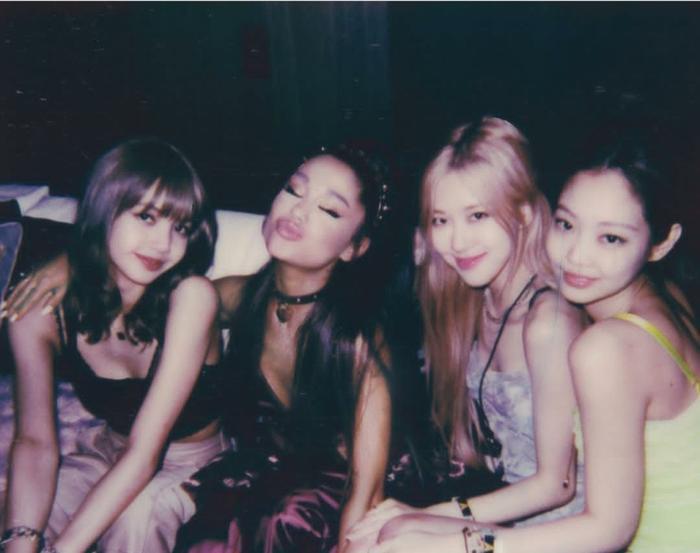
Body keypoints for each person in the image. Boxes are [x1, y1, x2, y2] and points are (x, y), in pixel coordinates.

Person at [367, 132, 700, 553]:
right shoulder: (668, 300)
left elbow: (607, 529)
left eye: (611, 238)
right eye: (567, 225)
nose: (577, 255)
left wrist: (456, 541)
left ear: (662, 242)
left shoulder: (605, 346)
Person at [347, 117, 586, 551]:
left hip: (560, 529)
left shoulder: (548, 321)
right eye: (441, 220)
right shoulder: (476, 300)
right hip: (508, 510)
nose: (457, 242)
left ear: (524, 213)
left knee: (395, 534)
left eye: (477, 215)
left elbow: (559, 485)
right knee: (379, 531)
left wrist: (429, 514)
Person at [1, 138, 226, 553]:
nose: (163, 244)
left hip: (193, 462)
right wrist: (21, 542)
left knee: (135, 521)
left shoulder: (192, 296)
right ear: (104, 210)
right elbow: (34, 443)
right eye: (147, 217)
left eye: (180, 226)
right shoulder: (41, 311)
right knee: (23, 516)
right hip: (110, 448)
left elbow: (145, 453)